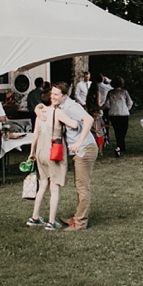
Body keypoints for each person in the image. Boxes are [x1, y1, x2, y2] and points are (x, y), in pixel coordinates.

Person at [26, 82, 81, 231]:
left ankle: (35, 217)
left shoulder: (41, 113)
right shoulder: (57, 113)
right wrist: (78, 118)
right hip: (54, 150)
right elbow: (74, 125)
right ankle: (51, 221)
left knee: (43, 184)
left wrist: (31, 153)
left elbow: (35, 136)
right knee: (55, 187)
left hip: (40, 151)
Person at [52, 81, 97, 231]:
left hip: (85, 149)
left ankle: (80, 222)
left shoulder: (70, 106)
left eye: (56, 94)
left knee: (82, 187)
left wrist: (79, 142)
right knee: (78, 185)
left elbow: (89, 119)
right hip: (79, 150)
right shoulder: (61, 106)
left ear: (64, 95)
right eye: (52, 94)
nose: (53, 96)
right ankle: (77, 216)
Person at [102, 77, 133, 157]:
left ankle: (121, 147)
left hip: (113, 114)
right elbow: (129, 102)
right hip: (123, 114)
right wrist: (126, 109)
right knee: (123, 130)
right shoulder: (124, 92)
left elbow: (107, 104)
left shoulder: (110, 93)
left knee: (117, 131)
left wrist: (101, 107)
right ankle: (119, 147)